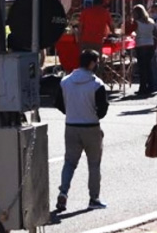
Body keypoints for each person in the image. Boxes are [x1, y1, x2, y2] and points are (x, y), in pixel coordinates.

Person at [55, 49, 109, 212]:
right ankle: (94, 198)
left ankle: (63, 192)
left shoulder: (65, 81)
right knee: (94, 164)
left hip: (71, 125)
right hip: (91, 126)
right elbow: (103, 109)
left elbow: (58, 103)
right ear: (92, 63)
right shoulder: (96, 84)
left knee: (69, 162)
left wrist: (71, 111)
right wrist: (93, 114)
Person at [131, 5, 157, 98]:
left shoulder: (136, 23)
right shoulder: (151, 22)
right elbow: (155, 34)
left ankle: (143, 88)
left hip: (141, 45)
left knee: (142, 68)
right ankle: (151, 86)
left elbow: (129, 30)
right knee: (149, 67)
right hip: (150, 45)